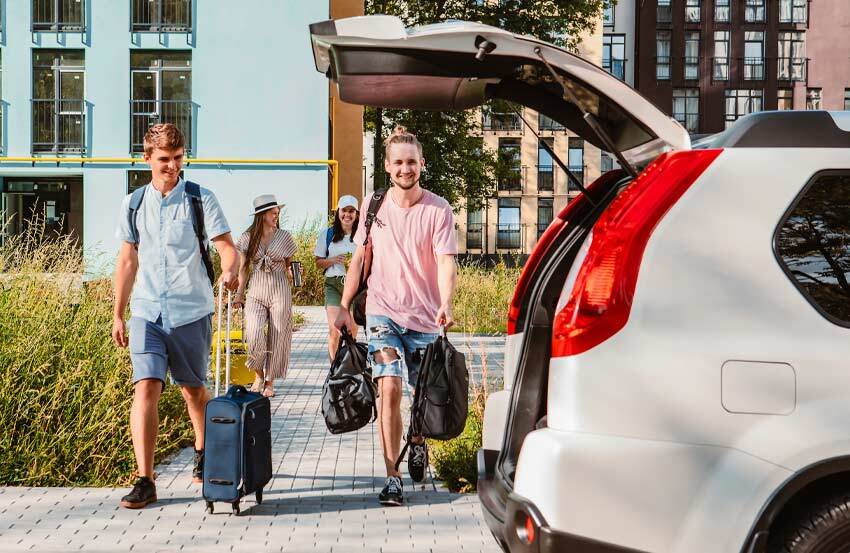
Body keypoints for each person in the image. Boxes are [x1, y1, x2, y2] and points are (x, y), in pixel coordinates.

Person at [112, 123, 239, 509]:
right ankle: (145, 479)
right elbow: (127, 260)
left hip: (191, 311)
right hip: (146, 311)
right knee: (146, 386)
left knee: (193, 391)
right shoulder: (133, 203)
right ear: (147, 158)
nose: (171, 166)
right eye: (164, 159)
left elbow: (227, 248)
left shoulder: (201, 198)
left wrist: (231, 270)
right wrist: (118, 313)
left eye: (178, 158)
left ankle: (202, 450)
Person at [335, 126, 458, 506]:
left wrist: (447, 303)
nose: (406, 169)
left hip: (424, 319)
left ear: (422, 164)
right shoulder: (374, 206)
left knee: (421, 395)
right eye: (399, 162)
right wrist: (343, 305)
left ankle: (417, 440)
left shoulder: (438, 209)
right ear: (388, 167)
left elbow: (446, 261)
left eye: (412, 162)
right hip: (382, 314)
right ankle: (392, 477)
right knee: (388, 386)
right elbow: (358, 260)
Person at [232, 195, 298, 398]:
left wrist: (295, 276)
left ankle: (269, 382)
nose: (276, 216)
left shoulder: (285, 236)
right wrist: (239, 295)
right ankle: (258, 374)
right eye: (273, 213)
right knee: (253, 333)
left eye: (278, 213)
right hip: (256, 291)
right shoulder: (247, 238)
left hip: (280, 289)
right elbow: (243, 268)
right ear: (261, 215)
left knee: (278, 336)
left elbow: (290, 265)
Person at [314, 194, 360, 360]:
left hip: (356, 286)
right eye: (344, 211)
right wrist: (333, 260)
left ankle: (349, 364)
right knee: (335, 329)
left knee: (353, 328)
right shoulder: (327, 235)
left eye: (351, 211)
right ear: (338, 212)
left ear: (356, 214)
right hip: (334, 284)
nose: (347, 215)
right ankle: (334, 368)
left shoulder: (362, 235)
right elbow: (318, 262)